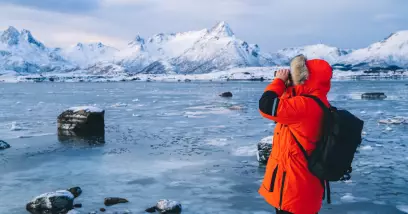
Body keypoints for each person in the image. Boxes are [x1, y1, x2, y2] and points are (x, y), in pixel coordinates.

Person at [258, 54, 333, 214]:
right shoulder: (319, 102)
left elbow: (266, 105)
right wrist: (290, 87)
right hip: (306, 187)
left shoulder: (304, 105)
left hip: (293, 189)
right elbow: (287, 110)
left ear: (304, 78)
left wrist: (278, 82)